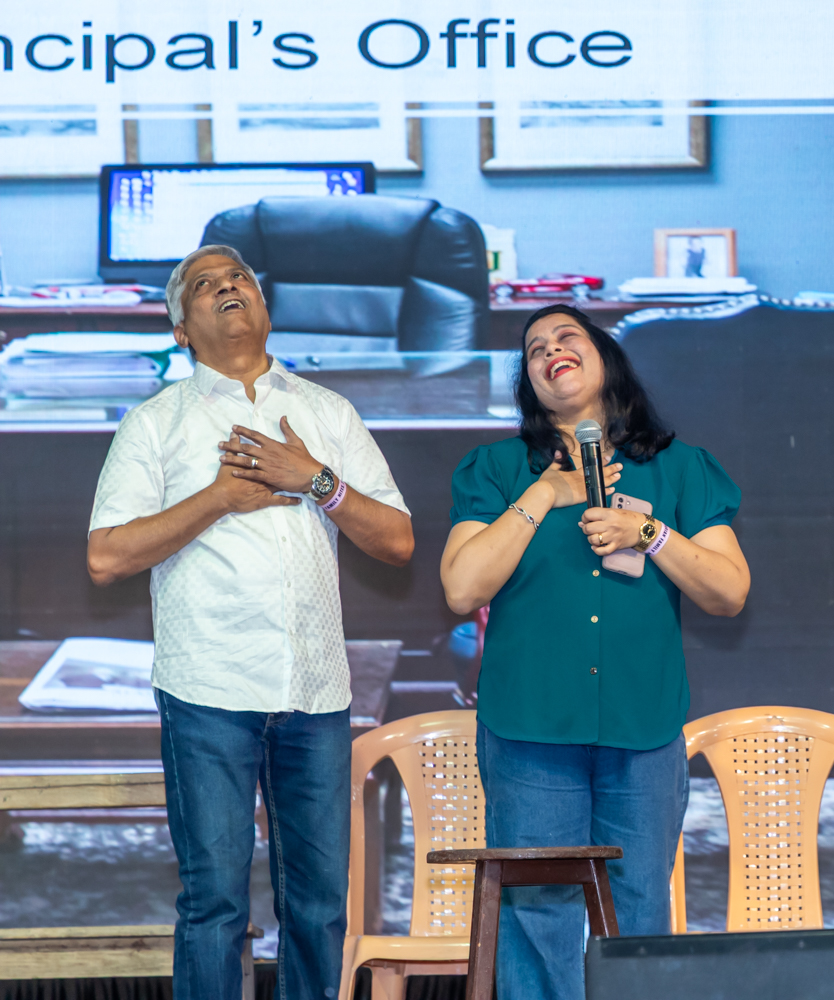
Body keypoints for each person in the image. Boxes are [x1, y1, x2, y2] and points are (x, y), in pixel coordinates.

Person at [86, 245, 414, 998]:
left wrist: (317, 481)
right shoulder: (155, 423)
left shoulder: (327, 412)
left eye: (239, 278)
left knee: (319, 905)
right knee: (215, 904)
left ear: (264, 306)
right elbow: (105, 557)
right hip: (209, 689)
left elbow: (397, 541)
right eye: (205, 284)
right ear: (181, 329)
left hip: (315, 692)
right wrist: (218, 499)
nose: (228, 286)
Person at [440, 304, 750, 1000]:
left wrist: (651, 534)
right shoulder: (496, 469)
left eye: (566, 336)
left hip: (643, 728)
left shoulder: (680, 468)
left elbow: (729, 592)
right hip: (529, 729)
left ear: (606, 356)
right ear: (529, 382)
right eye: (534, 348)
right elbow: (462, 588)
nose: (550, 349)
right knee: (536, 914)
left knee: (638, 912)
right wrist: (543, 494)